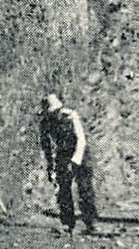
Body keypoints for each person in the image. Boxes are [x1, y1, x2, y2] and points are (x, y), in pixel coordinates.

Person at [39, 93, 97, 234]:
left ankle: (90, 222)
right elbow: (46, 147)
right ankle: (67, 222)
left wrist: (75, 162)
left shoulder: (71, 116)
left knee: (85, 187)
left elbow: (81, 141)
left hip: (80, 153)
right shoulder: (45, 123)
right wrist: (50, 166)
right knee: (63, 189)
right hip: (63, 154)